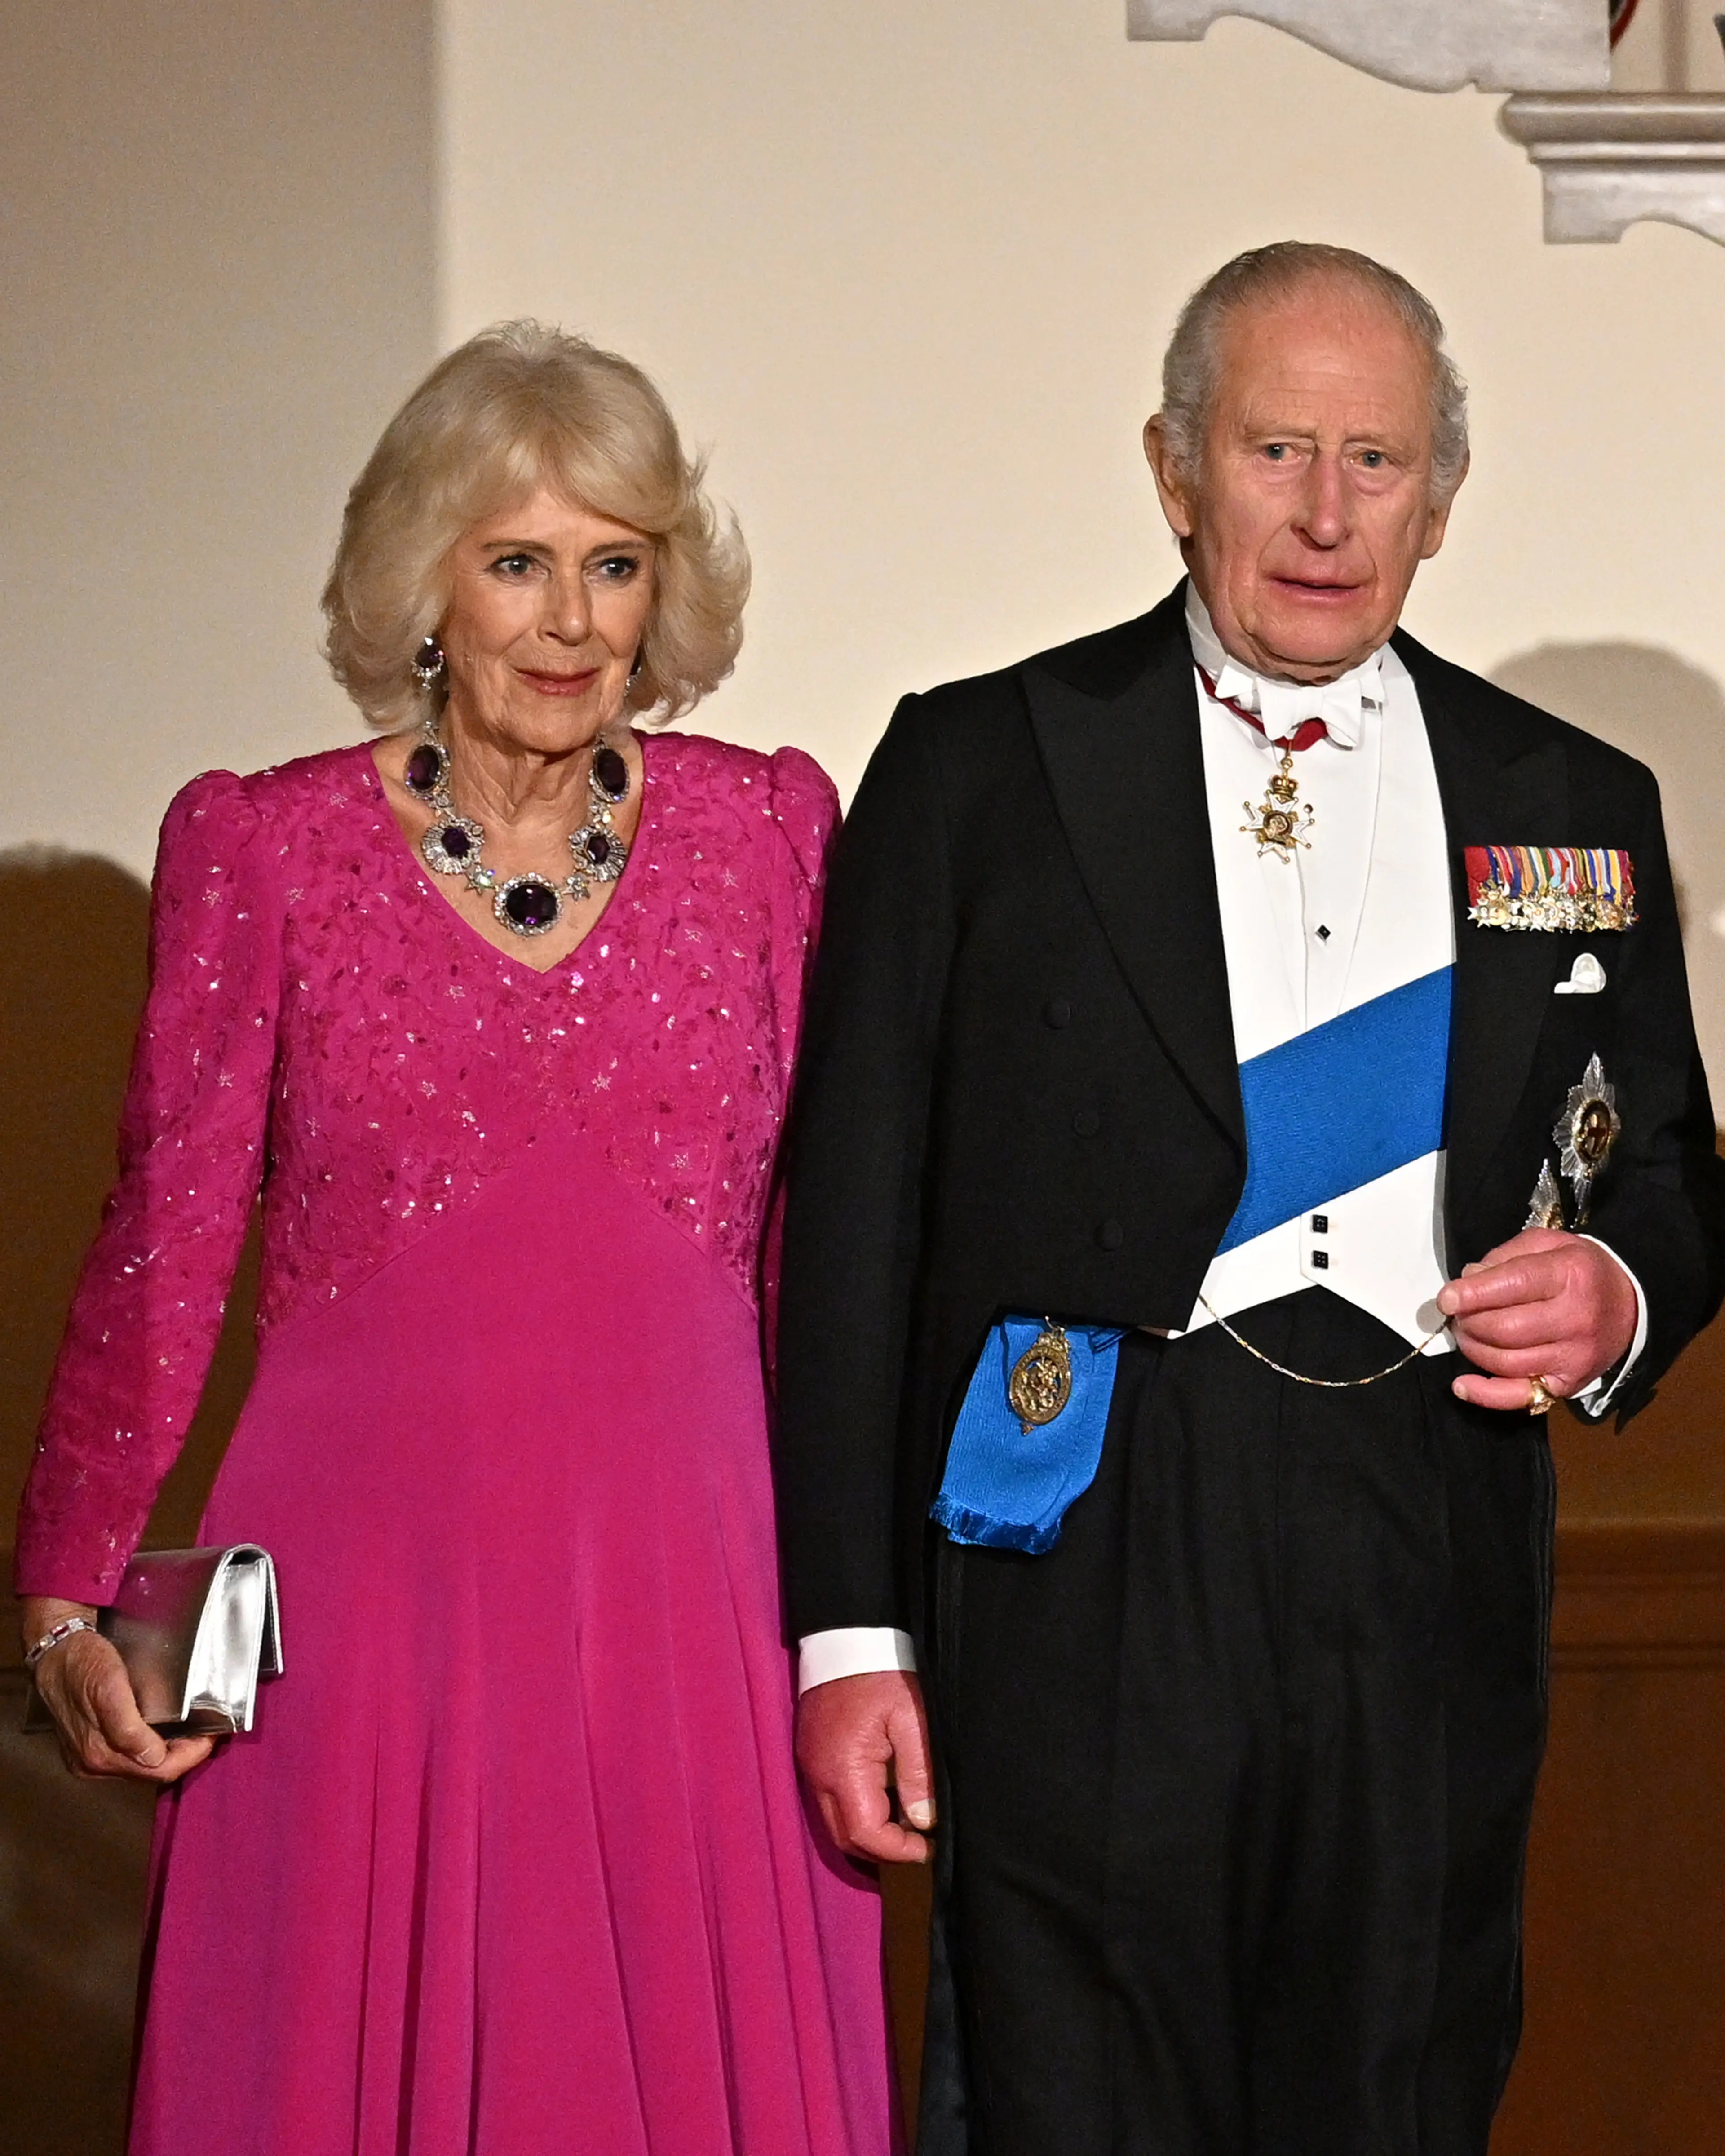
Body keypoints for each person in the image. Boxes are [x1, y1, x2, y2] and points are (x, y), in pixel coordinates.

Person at [774, 243, 1725, 2155]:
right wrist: (850, 1635)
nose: (1322, 510)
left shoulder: (1573, 792)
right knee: (1073, 2104)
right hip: (1092, 1538)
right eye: (1275, 447)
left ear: (1440, 497)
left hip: (1422, 1528)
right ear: (1173, 465)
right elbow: (852, 1220)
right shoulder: (980, 763)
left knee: (1397, 2088)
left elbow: (1675, 1171)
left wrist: (1619, 1291)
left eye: (1375, 459)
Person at [16, 321, 895, 2156]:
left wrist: (867, 1603)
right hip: (363, 1607)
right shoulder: (261, 847)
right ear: (425, 584)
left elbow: (831, 1250)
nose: (571, 618)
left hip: (699, 1597)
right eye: (517, 563)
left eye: (615, 562)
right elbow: (166, 1238)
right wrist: (67, 1581)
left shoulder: (772, 835)